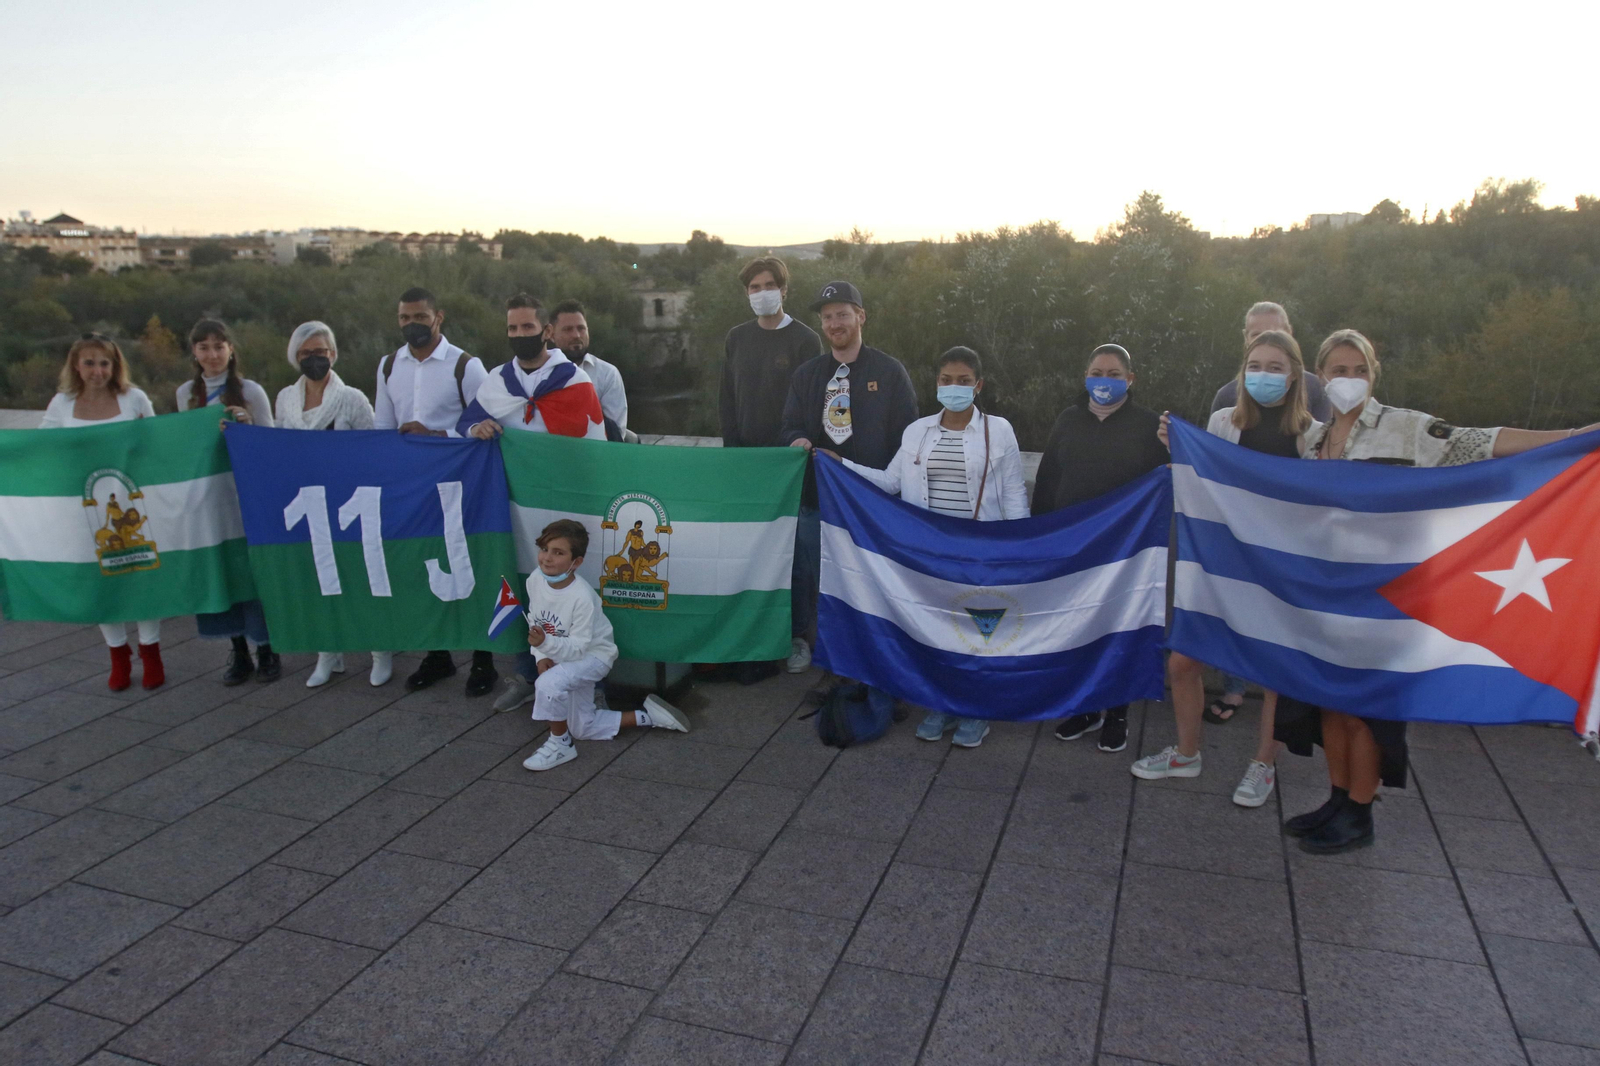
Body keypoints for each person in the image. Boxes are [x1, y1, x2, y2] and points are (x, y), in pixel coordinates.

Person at [1283, 328, 1600, 852]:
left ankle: (1360, 813)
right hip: (1332, 590)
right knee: (1330, 703)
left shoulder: (1407, 429)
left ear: (1373, 374)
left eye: (1359, 370)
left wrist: (1574, 437)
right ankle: (1336, 798)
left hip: (1388, 595)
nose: (1349, 380)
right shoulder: (1312, 441)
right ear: (1322, 376)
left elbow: (1478, 441)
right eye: (1338, 371)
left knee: (1368, 709)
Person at [1138, 330, 1322, 807]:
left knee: (1274, 672)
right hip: (1222, 563)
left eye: (1275, 367)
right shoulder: (1223, 420)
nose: (1263, 375)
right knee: (1183, 662)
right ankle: (1186, 753)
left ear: (1294, 375)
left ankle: (1263, 764)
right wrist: (1176, 445)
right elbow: (1202, 483)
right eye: (1254, 365)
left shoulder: (1313, 433)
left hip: (1278, 570)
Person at [823, 346, 1027, 748]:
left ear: (978, 385)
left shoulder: (999, 430)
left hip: (978, 550)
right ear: (936, 384)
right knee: (937, 629)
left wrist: (1018, 549)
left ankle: (974, 711)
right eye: (947, 380)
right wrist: (839, 465)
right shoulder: (917, 431)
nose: (955, 387)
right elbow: (889, 482)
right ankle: (940, 704)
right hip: (927, 553)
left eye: (964, 381)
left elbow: (1014, 493)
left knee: (976, 633)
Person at [1033, 343, 1170, 753]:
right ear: (1086, 377)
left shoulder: (1148, 425)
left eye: (1114, 374)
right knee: (1079, 626)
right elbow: (1048, 478)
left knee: (1119, 627)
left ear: (1130, 380)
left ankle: (1119, 711)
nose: (1104, 380)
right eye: (1097, 372)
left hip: (1125, 547)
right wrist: (1040, 533)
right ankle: (1086, 706)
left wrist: (1173, 445)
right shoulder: (1068, 419)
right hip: (1073, 546)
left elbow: (1164, 481)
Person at [1205, 301, 1332, 723]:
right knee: (1234, 611)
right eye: (1254, 339)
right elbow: (1210, 465)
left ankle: (1285, 704)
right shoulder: (1227, 399)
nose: (1263, 344)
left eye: (1272, 335)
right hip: (1237, 533)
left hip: (1290, 537)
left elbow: (1328, 458)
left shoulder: (1317, 393)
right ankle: (1235, 687)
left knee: (1282, 625)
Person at [781, 280, 918, 672]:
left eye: (842, 313)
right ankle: (820, 651)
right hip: (815, 500)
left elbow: (907, 439)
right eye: (827, 317)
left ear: (860, 316)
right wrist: (798, 439)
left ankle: (875, 655)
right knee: (817, 578)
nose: (834, 323)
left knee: (869, 582)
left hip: (870, 503)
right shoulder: (807, 375)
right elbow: (787, 425)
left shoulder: (890, 373)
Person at [374, 286, 498, 697]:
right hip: (414, 486)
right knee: (423, 564)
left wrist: (435, 435)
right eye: (405, 318)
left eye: (420, 317)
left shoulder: (465, 366)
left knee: (471, 565)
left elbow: (485, 427)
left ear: (438, 317)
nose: (412, 324)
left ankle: (483, 657)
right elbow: (382, 429)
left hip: (463, 483)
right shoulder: (389, 365)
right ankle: (438, 653)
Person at [40, 334, 164, 691]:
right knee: (102, 579)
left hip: (132, 503)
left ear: (116, 365)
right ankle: (117, 654)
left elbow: (157, 442)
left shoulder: (134, 398)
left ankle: (151, 650)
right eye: (90, 363)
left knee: (140, 572)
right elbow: (42, 448)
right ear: (76, 366)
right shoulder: (62, 404)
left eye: (104, 363)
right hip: (84, 506)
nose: (97, 371)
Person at [518, 520, 690, 771]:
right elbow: (536, 620)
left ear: (576, 562)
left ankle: (560, 744)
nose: (547, 558)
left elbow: (577, 648)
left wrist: (546, 645)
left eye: (558, 552)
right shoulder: (535, 580)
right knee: (582, 727)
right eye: (544, 549)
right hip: (564, 654)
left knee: (548, 684)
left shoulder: (582, 597)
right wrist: (540, 653)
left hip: (593, 657)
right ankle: (648, 716)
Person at [274, 321, 384, 688]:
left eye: (320, 352)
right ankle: (328, 653)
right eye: (306, 353)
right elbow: (278, 448)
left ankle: (379, 650)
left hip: (349, 500)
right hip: (308, 502)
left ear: (333, 355)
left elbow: (372, 448)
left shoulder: (351, 398)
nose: (314, 359)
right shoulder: (285, 399)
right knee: (319, 578)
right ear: (296, 358)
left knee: (361, 576)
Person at [177, 318, 279, 685]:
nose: (212, 354)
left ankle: (267, 648)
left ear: (231, 350)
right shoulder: (185, 395)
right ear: (194, 352)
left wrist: (246, 423)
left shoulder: (251, 390)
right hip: (209, 498)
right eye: (204, 347)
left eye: (219, 346)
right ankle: (238, 652)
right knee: (222, 573)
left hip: (243, 496)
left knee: (250, 574)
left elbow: (271, 444)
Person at [460, 294, 606, 442]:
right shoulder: (498, 379)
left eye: (528, 327)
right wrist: (476, 429)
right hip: (508, 465)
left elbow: (594, 443)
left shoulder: (575, 381)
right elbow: (468, 422)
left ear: (548, 332)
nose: (519, 334)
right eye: (512, 328)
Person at [721, 256, 823, 448]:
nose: (762, 292)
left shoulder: (806, 340)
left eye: (770, 285)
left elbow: (813, 404)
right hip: (745, 454)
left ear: (783, 290)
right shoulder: (736, 338)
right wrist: (731, 449)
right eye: (755, 287)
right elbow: (727, 400)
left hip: (789, 455)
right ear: (747, 292)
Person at [546, 300, 628, 436]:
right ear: (551, 335)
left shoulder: (607, 374)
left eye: (581, 328)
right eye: (568, 329)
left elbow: (616, 431)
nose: (576, 335)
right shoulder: (540, 373)